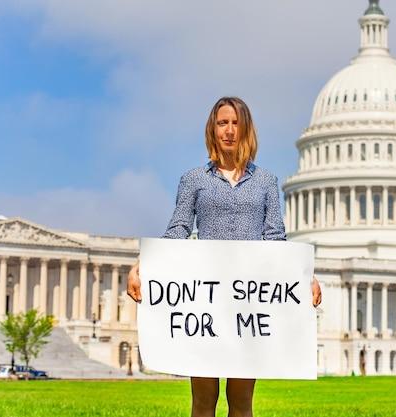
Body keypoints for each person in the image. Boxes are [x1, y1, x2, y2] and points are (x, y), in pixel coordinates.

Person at [127, 96, 322, 417]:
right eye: (222, 123)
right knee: (203, 401)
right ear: (212, 129)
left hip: (247, 305)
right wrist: (143, 265)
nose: (229, 131)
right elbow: (177, 229)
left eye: (235, 123)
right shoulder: (193, 179)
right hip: (206, 304)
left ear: (246, 129)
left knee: (241, 401)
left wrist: (304, 277)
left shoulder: (266, 182)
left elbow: (275, 238)